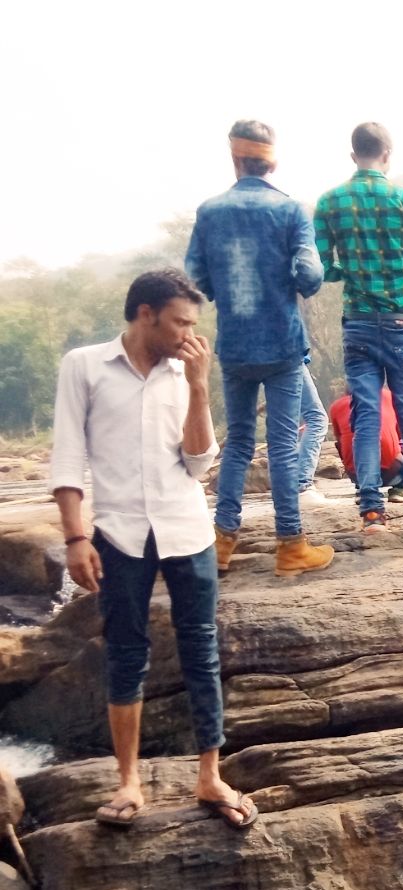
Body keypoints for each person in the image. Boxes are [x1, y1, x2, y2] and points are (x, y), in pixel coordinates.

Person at [49, 269, 257, 831]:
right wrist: (74, 536)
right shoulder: (85, 367)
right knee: (125, 652)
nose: (190, 334)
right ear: (146, 314)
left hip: (187, 529)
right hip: (118, 534)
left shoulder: (183, 371)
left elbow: (198, 462)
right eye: (181, 322)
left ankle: (210, 775)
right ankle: (128, 782)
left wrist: (197, 387)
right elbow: (67, 458)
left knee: (202, 651)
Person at [185, 120, 333, 577]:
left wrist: (224, 291)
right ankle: (290, 546)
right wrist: (286, 280)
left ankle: (222, 542)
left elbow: (196, 275)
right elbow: (310, 275)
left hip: (234, 345)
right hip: (283, 344)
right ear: (272, 160)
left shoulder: (210, 212)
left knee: (240, 443)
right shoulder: (289, 212)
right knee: (285, 445)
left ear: (235, 158)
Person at [315, 122, 403, 534]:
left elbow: (322, 266)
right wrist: (395, 273)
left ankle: (372, 512)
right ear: (387, 154)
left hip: (359, 323)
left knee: (365, 415)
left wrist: (352, 271)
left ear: (354, 155)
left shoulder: (330, 202)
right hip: (401, 320)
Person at [329, 384, 403, 493]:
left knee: (347, 444)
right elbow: (401, 433)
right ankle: (401, 487)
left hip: (357, 475)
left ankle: (362, 488)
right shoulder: (389, 396)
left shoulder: (336, 406)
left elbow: (340, 442)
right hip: (392, 472)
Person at [296, 363, 331, 509]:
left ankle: (287, 493)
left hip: (242, 356)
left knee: (284, 423)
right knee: (317, 419)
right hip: (288, 352)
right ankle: (302, 486)